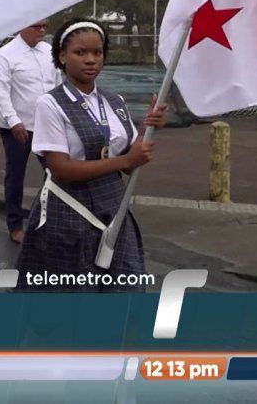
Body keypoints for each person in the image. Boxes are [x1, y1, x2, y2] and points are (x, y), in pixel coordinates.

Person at [15, 19, 167, 291]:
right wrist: (124, 161)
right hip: (69, 215)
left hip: (113, 211)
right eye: (80, 52)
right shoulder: (50, 104)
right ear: (62, 56)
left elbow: (130, 161)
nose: (90, 60)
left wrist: (148, 126)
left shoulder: (114, 101)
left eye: (97, 52)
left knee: (124, 289)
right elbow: (60, 168)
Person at [0, 19, 57, 244]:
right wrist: (14, 121)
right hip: (18, 128)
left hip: (47, 126)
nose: (42, 30)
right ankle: (15, 224)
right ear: (23, 26)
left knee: (56, 173)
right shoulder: (6, 54)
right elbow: (0, 92)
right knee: (16, 175)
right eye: (37, 26)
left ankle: (47, 219)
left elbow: (57, 85)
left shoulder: (49, 51)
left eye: (44, 26)